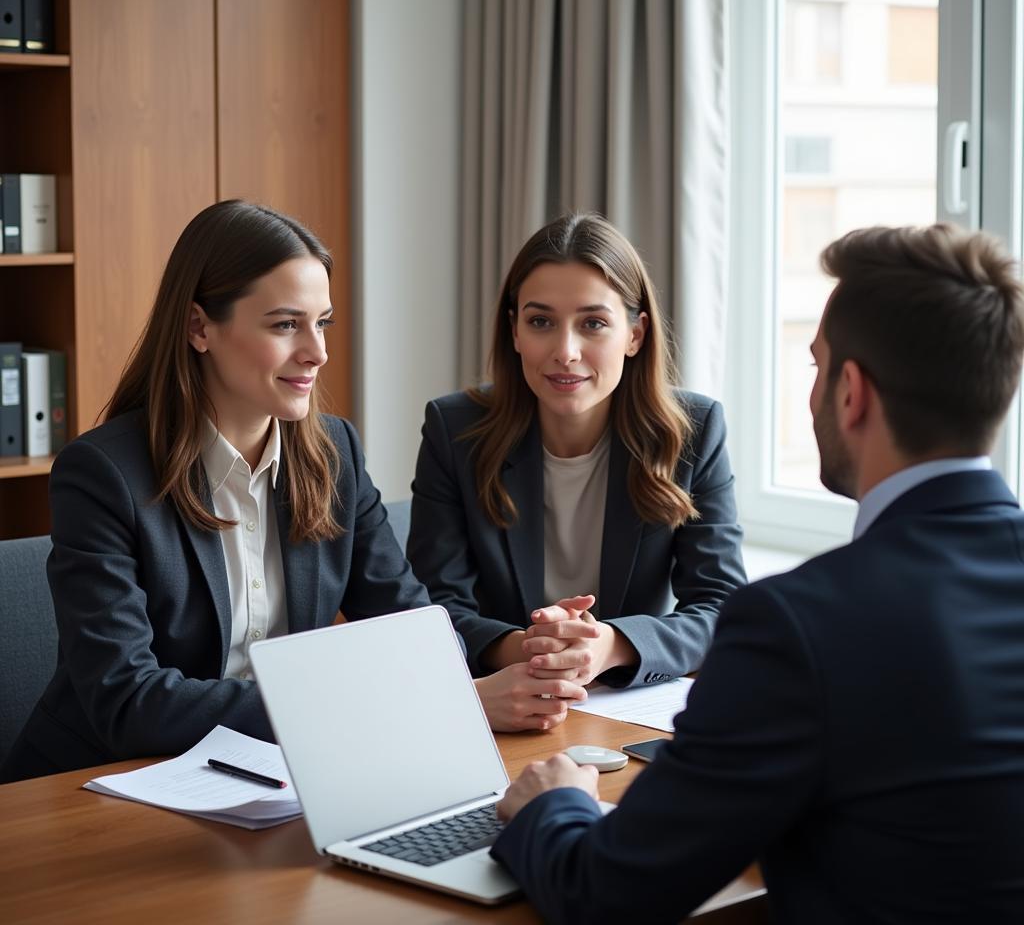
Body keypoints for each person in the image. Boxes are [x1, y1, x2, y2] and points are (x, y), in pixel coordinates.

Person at [489, 223, 1024, 924]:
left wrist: (554, 802)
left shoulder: (800, 626)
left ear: (850, 393)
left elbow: (607, 893)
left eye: (816, 366)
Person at [0, 201, 584, 784]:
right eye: (285, 325)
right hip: (99, 788)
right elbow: (128, 703)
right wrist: (364, 710)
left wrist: (522, 655)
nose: (317, 352)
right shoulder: (103, 474)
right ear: (199, 327)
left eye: (322, 322)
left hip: (261, 779)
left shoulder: (334, 454)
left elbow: (415, 632)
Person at [408, 213, 746, 693]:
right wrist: (530, 647)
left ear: (635, 335)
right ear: (515, 331)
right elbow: (432, 605)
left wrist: (611, 645)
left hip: (625, 704)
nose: (565, 351)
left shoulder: (692, 431)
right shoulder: (456, 429)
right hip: (504, 695)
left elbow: (721, 606)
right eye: (541, 321)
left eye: (593, 323)